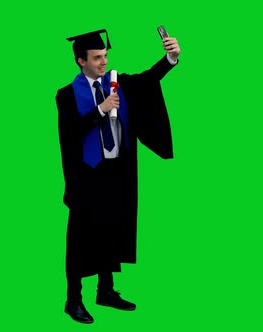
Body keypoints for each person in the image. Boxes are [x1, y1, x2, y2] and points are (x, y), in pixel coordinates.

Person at [55, 28, 181, 324]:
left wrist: (170, 59)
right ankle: (73, 299)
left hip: (117, 173)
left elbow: (149, 80)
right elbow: (71, 132)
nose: (103, 61)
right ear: (79, 60)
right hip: (88, 177)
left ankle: (106, 291)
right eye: (97, 57)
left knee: (112, 230)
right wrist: (101, 108)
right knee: (80, 240)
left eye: (105, 56)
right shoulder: (66, 95)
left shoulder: (117, 83)